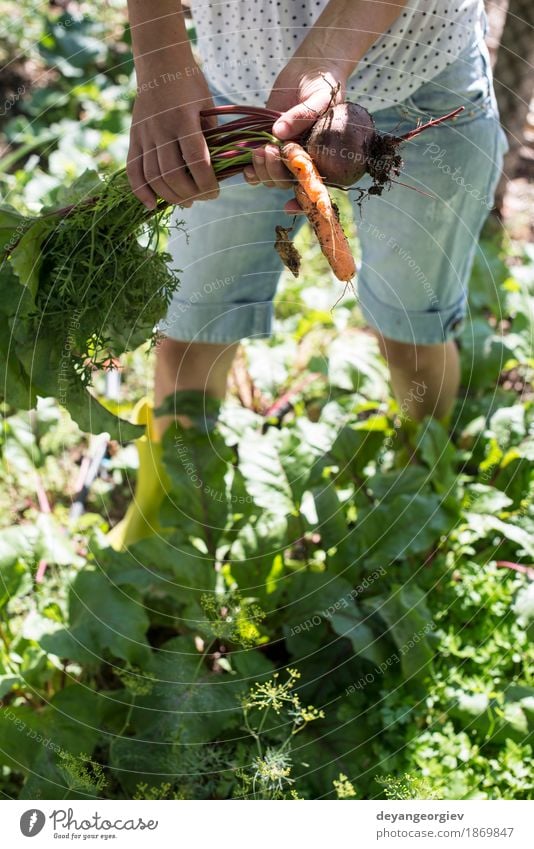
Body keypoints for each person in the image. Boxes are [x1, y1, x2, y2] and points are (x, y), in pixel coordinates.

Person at [109, 0, 507, 549]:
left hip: (423, 73)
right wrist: (159, 67)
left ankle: (418, 496)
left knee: (415, 332)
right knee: (191, 330)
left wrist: (323, 58)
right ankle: (166, 524)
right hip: (233, 87)